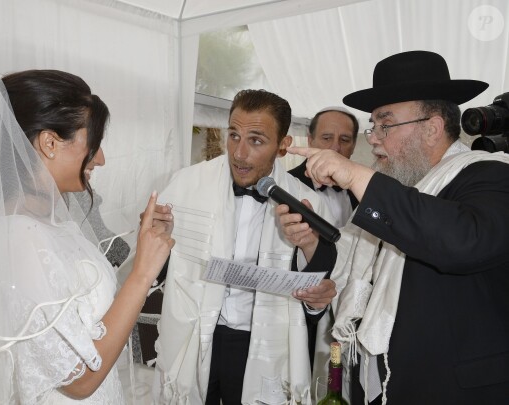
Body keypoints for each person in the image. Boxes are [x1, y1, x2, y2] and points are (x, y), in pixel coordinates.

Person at [0, 71, 174, 404]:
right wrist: (143, 272)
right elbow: (80, 379)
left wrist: (144, 247)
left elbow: (89, 319)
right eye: (94, 142)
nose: (100, 158)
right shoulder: (18, 237)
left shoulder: (55, 223)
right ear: (49, 143)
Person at [285, 50, 509, 404]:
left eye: (384, 124)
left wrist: (360, 176)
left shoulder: (491, 175)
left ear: (432, 128)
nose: (372, 138)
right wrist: (315, 253)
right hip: (376, 387)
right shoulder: (395, 193)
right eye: (373, 125)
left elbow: (464, 240)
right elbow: (353, 271)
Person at [150, 89, 338, 404]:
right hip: (195, 339)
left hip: (262, 343)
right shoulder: (185, 184)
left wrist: (309, 245)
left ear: (283, 146)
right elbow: (161, 269)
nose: (239, 153)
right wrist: (155, 237)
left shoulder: (310, 203)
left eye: (256, 140)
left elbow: (318, 295)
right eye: (234, 135)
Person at [288, 106, 359, 377]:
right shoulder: (285, 185)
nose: (335, 148)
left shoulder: (362, 190)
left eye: (345, 139)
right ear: (310, 140)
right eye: (327, 138)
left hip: (349, 309)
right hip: (299, 311)